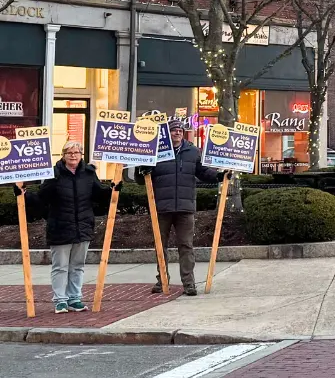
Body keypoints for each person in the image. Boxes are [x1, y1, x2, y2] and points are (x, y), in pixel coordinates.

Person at [15, 141, 117, 313]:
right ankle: (60, 300)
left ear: (81, 155)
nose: (73, 155)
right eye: (69, 152)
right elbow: (41, 198)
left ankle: (74, 298)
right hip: (60, 226)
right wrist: (24, 195)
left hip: (82, 226)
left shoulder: (88, 174)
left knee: (77, 265)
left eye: (76, 152)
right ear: (63, 155)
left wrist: (113, 189)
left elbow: (100, 195)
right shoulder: (54, 175)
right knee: (60, 266)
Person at [137, 120, 224, 297]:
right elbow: (141, 180)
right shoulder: (156, 152)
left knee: (186, 246)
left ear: (183, 133)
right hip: (161, 207)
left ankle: (189, 283)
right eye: (173, 130)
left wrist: (219, 176)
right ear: (167, 134)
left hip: (185, 208)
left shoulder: (192, 151)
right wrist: (142, 170)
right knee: (161, 247)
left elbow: (202, 172)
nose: (176, 133)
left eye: (179, 130)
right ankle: (162, 280)